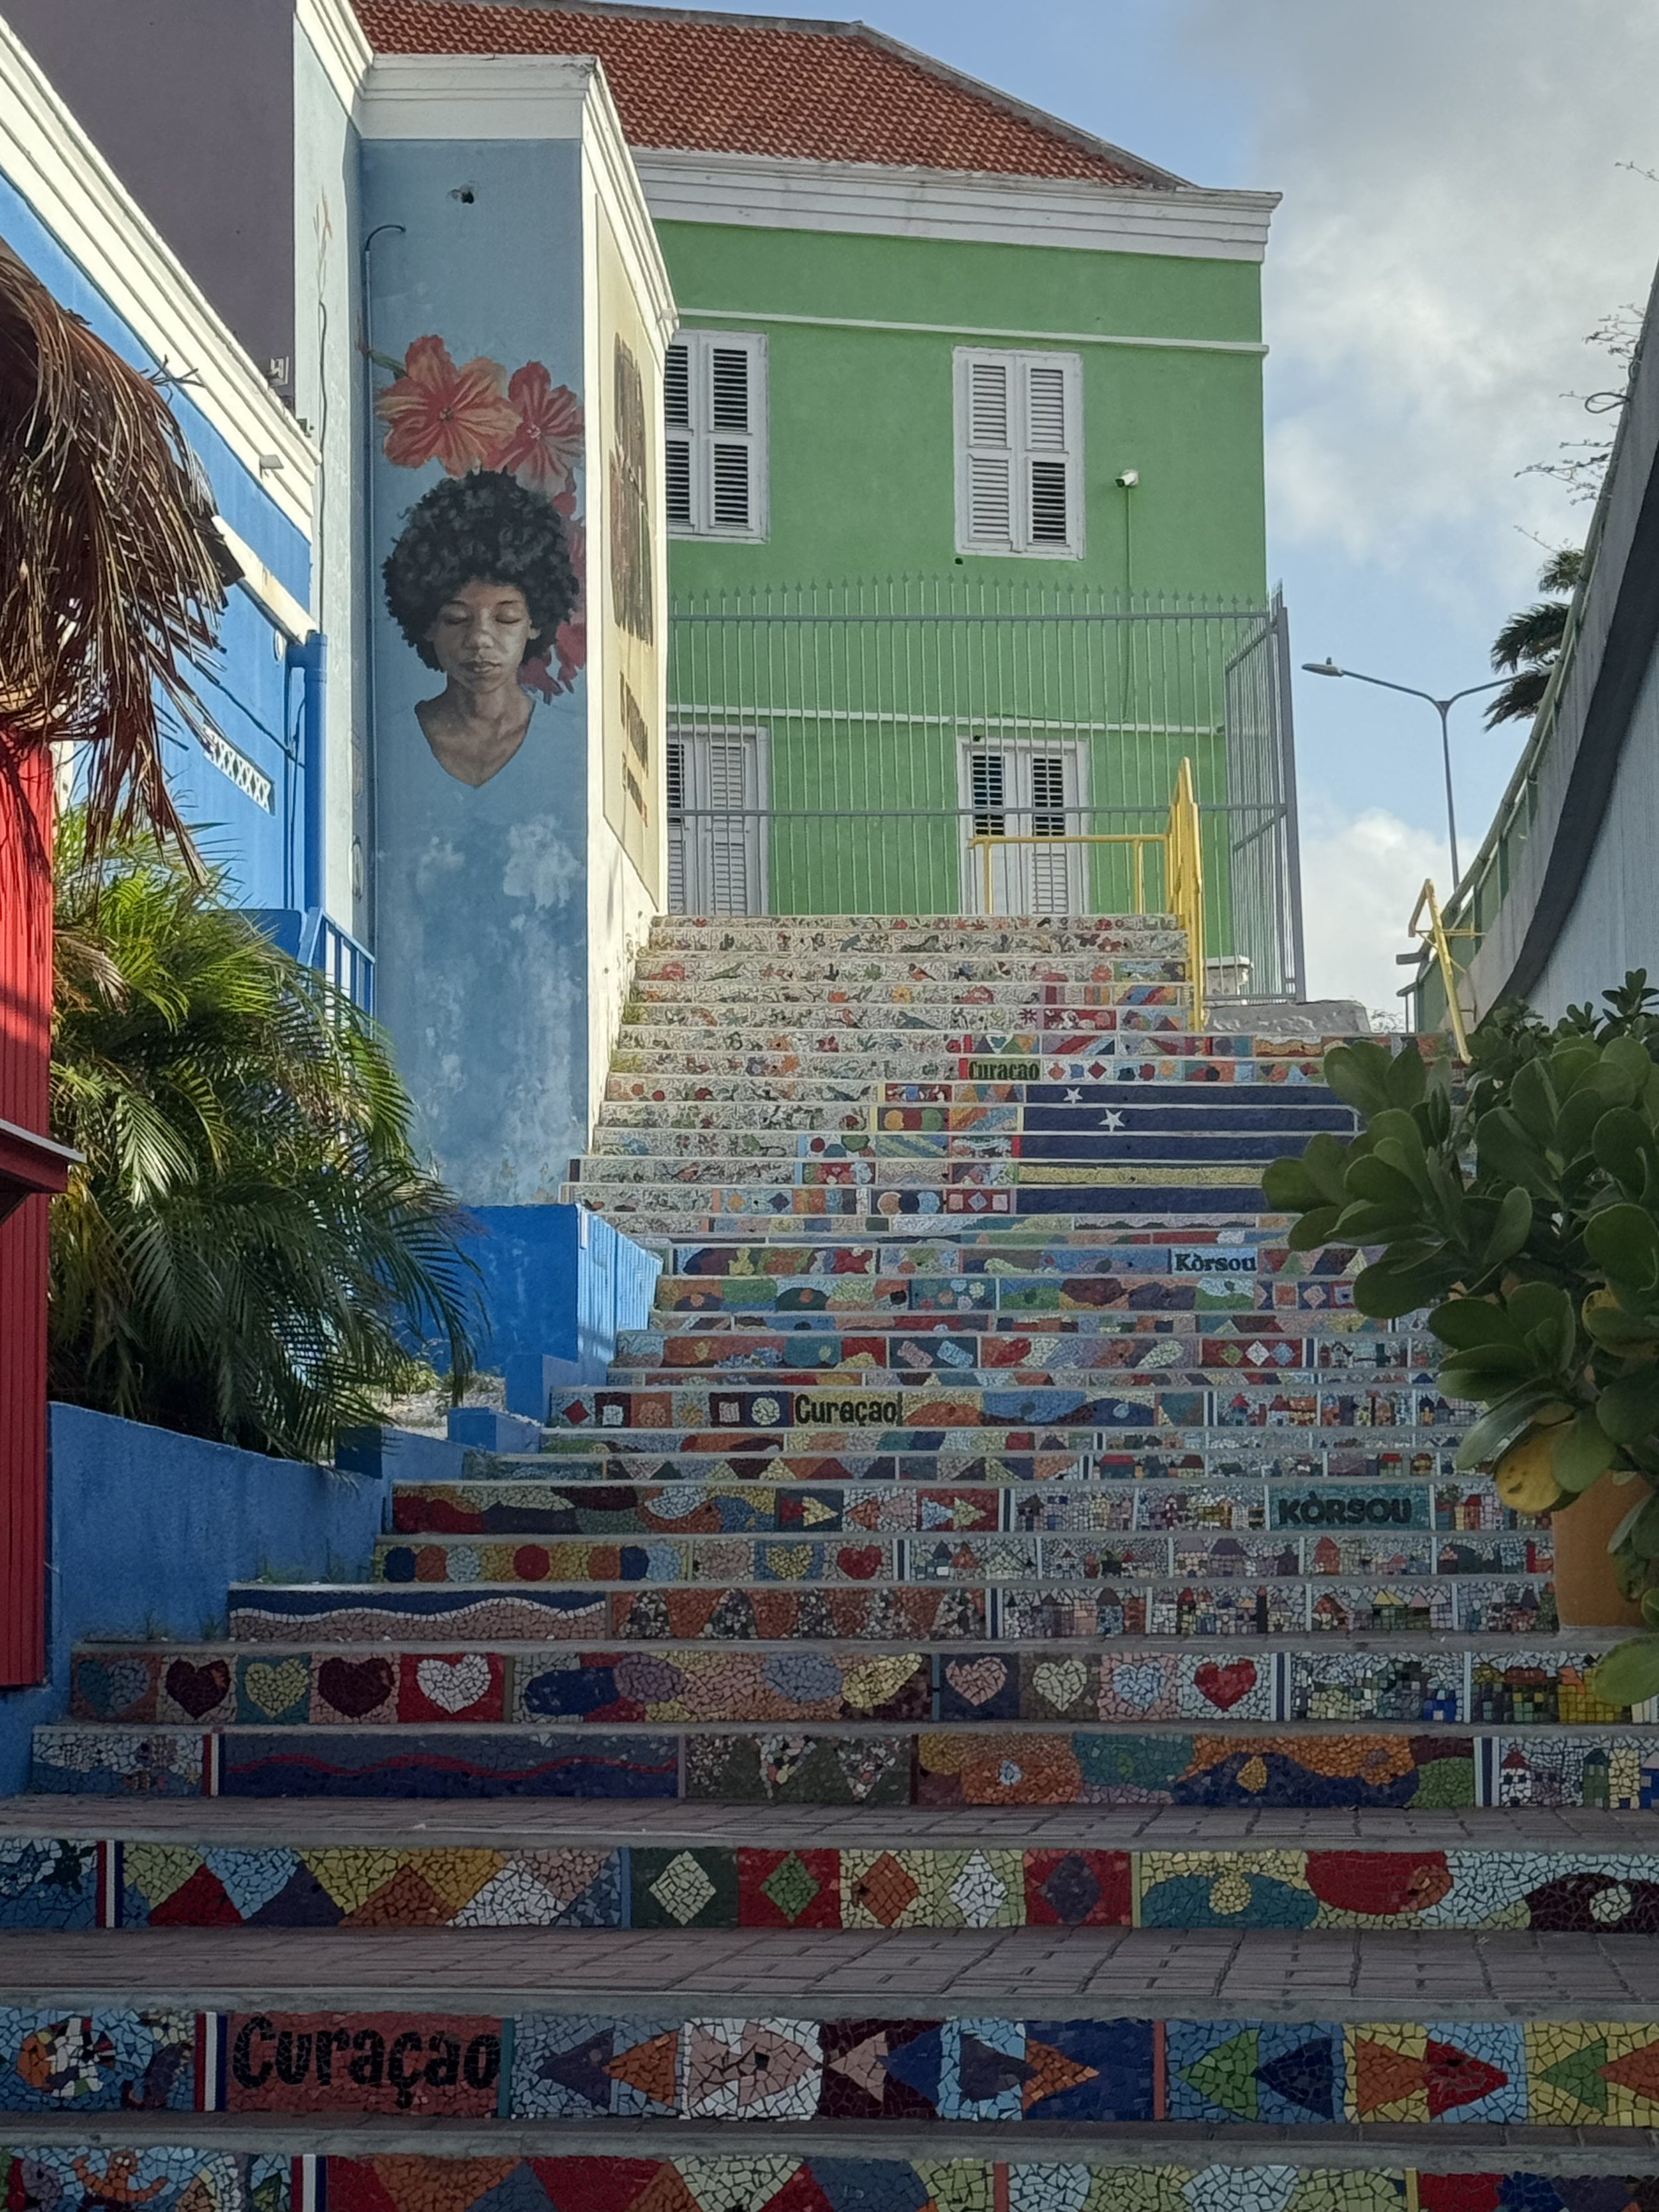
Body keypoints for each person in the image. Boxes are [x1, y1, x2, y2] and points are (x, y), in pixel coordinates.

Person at [382, 469, 579, 786]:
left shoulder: (571, 750)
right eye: (456, 619)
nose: (479, 639)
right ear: (427, 623)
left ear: (535, 622)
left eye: (506, 618)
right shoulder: (388, 744)